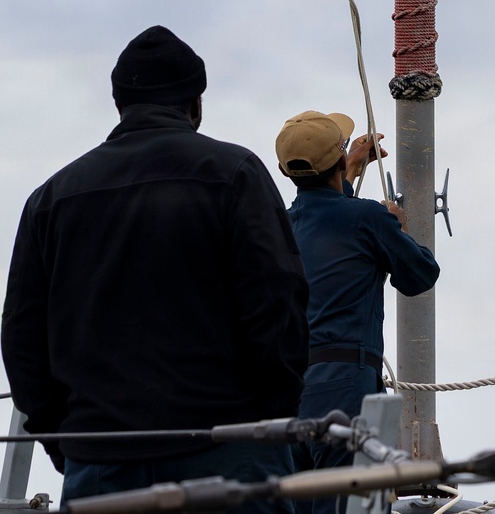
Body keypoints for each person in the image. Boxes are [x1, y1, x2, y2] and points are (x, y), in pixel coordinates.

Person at [2, 26, 309, 507]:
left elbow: (21, 336)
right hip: (228, 453)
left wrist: (69, 444)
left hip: (101, 466)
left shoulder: (50, 199)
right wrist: (267, 420)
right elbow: (278, 306)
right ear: (196, 104)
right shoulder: (235, 174)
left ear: (119, 104)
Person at [275, 110, 439, 480]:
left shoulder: (278, 227)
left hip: (286, 392)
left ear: (285, 171)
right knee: (346, 503)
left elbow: (324, 213)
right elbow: (420, 275)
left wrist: (348, 171)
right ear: (336, 158)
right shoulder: (367, 218)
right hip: (344, 386)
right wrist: (396, 228)